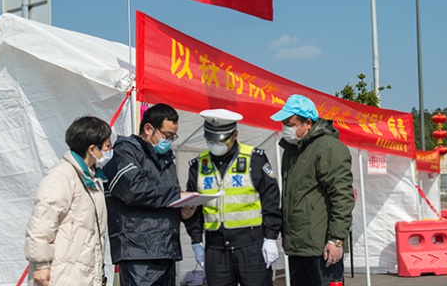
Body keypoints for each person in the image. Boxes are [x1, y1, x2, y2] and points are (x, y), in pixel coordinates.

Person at [184, 109, 282, 286]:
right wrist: (196, 241)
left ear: (235, 135)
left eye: (220, 140)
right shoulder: (198, 165)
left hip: (251, 246)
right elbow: (193, 207)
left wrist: (270, 237)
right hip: (215, 249)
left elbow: (271, 200)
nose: (214, 144)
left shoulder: (254, 159)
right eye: (210, 139)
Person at [103, 103, 195, 286]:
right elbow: (133, 190)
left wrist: (185, 210)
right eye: (166, 135)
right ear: (148, 128)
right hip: (138, 250)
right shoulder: (124, 152)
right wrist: (177, 196)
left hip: (166, 248)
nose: (169, 141)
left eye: (173, 136)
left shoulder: (166, 158)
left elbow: (165, 198)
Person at [270, 94, 355, 286]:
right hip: (298, 246)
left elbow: (342, 197)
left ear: (308, 123)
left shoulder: (328, 148)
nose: (285, 127)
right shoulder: (291, 152)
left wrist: (336, 240)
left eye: (289, 123)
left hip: (322, 247)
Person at [25, 116, 112, 286]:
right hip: (61, 274)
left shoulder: (93, 179)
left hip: (83, 273)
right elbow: (42, 222)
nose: (110, 150)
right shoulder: (62, 176)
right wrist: (41, 264)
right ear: (92, 149)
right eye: (108, 146)